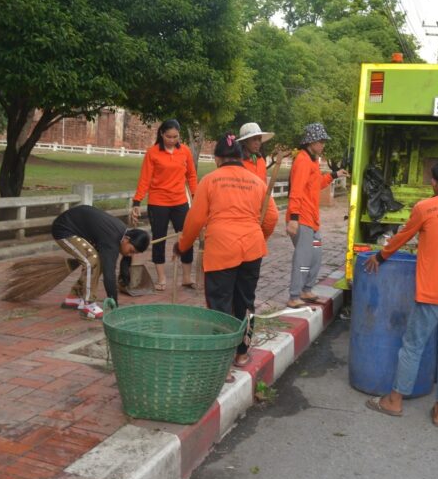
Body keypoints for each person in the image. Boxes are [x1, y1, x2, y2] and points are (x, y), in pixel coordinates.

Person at [363, 159, 438, 426]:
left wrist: (380, 256)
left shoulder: (424, 207)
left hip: (432, 292)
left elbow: (403, 236)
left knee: (413, 346)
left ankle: (395, 401)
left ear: (433, 183)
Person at [176, 134, 278, 367]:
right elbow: (271, 217)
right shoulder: (256, 182)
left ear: (217, 159)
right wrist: (259, 237)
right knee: (246, 302)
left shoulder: (210, 180)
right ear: (240, 156)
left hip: (221, 250)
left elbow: (195, 220)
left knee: (219, 305)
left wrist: (182, 246)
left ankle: (222, 361)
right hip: (252, 248)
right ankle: (242, 354)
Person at [129, 120, 198, 291]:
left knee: (186, 237)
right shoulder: (152, 153)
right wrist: (137, 201)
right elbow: (145, 179)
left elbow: (191, 176)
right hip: (158, 202)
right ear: (161, 134)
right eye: (168, 137)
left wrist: (195, 196)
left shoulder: (185, 151)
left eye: (175, 137)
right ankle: (161, 278)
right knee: (159, 239)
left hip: (180, 202)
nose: (172, 140)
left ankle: (187, 277)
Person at [286, 122, 348, 308]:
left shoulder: (312, 161)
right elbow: (296, 191)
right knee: (303, 257)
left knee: (315, 255)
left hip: (312, 220)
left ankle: (306, 290)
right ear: (311, 142)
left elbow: (317, 184)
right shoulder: (302, 161)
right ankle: (294, 296)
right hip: (302, 219)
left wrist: (334, 175)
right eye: (321, 141)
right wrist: (294, 219)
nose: (323, 145)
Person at [52, 206, 150, 319]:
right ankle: (88, 306)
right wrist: (114, 306)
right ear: (126, 239)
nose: (130, 255)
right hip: (64, 229)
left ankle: (74, 297)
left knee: (98, 261)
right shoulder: (112, 239)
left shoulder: (121, 234)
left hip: (75, 228)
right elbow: (109, 275)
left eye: (134, 253)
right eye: (131, 251)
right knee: (92, 260)